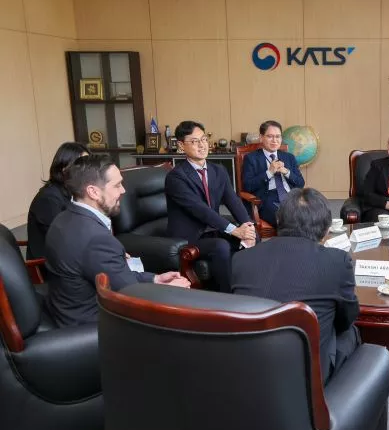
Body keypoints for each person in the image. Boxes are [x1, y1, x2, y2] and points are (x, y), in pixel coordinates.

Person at [231, 188, 361, 384]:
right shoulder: (337, 261)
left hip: (249, 369)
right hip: (306, 378)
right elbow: (346, 319)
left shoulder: (241, 259)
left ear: (278, 220)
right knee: (351, 333)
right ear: (326, 229)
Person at [45, 155, 190, 327]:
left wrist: (156, 279)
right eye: (116, 185)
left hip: (67, 310)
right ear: (93, 192)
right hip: (94, 324)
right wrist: (169, 290)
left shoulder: (65, 217)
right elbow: (131, 295)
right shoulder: (95, 238)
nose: (123, 190)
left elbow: (117, 276)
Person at [165, 120, 256, 293]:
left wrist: (248, 226)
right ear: (181, 146)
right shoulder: (176, 177)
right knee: (221, 246)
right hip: (189, 236)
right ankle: (227, 297)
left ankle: (249, 288)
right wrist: (233, 229)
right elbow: (200, 210)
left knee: (253, 236)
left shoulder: (218, 170)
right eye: (194, 141)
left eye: (204, 139)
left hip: (213, 229)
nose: (202, 145)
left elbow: (233, 201)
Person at [26, 142, 89, 259]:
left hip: (69, 256)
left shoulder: (72, 191)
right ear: (63, 167)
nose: (86, 170)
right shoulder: (48, 199)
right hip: (52, 264)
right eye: (80, 165)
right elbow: (64, 240)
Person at [241, 120, 305, 227]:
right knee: (287, 219)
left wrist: (286, 172)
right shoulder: (251, 158)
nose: (274, 140)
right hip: (268, 199)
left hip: (291, 197)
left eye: (278, 136)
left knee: (313, 214)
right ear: (261, 138)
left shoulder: (289, 157)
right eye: (270, 136)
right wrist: (269, 173)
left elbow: (300, 183)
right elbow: (247, 186)